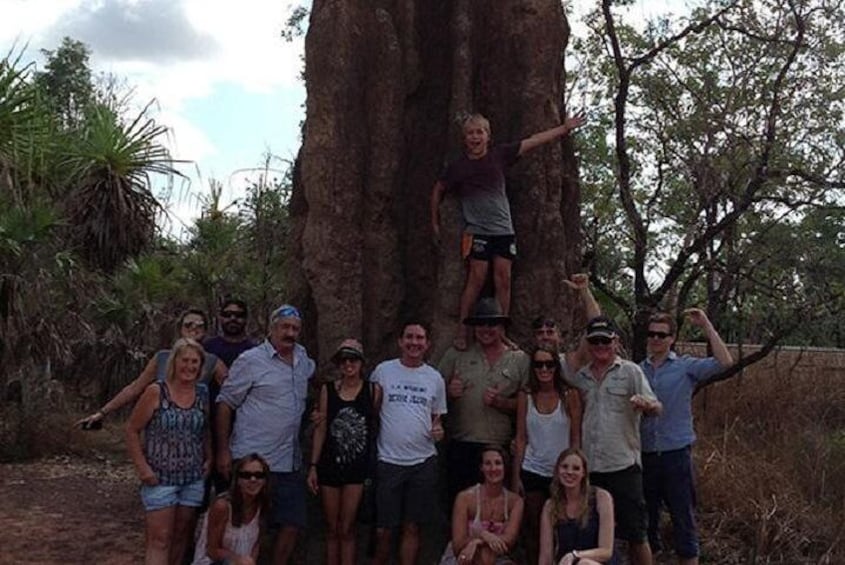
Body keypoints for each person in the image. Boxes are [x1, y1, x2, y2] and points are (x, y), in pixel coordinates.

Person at [430, 112, 587, 349]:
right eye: (471, 133)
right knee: (476, 279)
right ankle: (463, 329)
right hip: (477, 231)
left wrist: (564, 128)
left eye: (479, 132)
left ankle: (501, 330)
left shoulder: (498, 156)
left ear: (487, 136)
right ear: (464, 138)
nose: (475, 137)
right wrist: (434, 222)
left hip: (503, 230)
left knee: (503, 279)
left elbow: (533, 140)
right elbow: (438, 189)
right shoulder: (458, 168)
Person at [216, 304, 316, 565]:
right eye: (285, 327)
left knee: (293, 521)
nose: (290, 333)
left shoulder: (303, 359)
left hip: (288, 460)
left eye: (295, 328)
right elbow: (226, 402)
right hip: (251, 459)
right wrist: (224, 450)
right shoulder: (250, 360)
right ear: (272, 329)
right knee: (246, 525)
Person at [640, 309, 733, 565]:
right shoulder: (637, 371)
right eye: (651, 334)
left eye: (661, 335)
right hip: (645, 456)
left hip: (676, 456)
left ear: (672, 338)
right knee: (646, 524)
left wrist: (706, 324)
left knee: (683, 520)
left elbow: (724, 362)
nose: (655, 339)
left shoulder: (685, 367)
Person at [567, 316, 661, 565]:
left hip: (623, 467)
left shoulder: (630, 371)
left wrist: (647, 405)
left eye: (605, 340)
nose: (600, 346)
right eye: (594, 341)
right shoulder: (581, 377)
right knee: (592, 533)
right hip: (590, 469)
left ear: (615, 342)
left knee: (636, 533)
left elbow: (656, 406)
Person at [125, 338, 211, 565]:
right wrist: (142, 469)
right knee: (160, 538)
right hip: (159, 479)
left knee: (181, 536)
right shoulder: (156, 391)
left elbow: (204, 429)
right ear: (174, 362)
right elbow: (132, 430)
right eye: (185, 361)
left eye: (195, 362)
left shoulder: (202, 393)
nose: (189, 367)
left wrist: (209, 457)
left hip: (192, 478)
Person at [437, 297, 529, 505]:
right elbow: (432, 397)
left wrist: (502, 403)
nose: (486, 329)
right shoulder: (456, 355)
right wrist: (449, 393)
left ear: (502, 326)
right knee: (460, 508)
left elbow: (531, 406)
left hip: (500, 449)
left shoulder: (519, 360)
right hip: (462, 446)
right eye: (481, 323)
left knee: (497, 510)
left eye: (492, 323)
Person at [371, 321, 447, 565]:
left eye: (420, 338)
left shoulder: (434, 378)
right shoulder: (383, 371)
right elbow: (370, 410)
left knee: (412, 527)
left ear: (427, 344)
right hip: (388, 460)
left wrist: (438, 431)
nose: (414, 342)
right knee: (384, 529)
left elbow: (438, 419)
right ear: (400, 341)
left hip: (422, 462)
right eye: (410, 337)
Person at [77, 308, 227, 428]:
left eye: (199, 325)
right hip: (159, 430)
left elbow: (231, 394)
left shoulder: (213, 362)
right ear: (180, 328)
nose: (194, 328)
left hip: (193, 432)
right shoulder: (162, 358)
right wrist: (102, 413)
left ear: (205, 330)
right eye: (188, 324)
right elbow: (135, 388)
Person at [307, 339, 382, 565]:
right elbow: (321, 429)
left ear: (361, 363)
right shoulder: (327, 390)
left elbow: (375, 423)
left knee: (348, 527)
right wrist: (313, 465)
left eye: (353, 360)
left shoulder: (373, 390)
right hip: (330, 464)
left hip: (357, 467)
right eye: (344, 360)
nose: (348, 364)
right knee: (332, 527)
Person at [512, 346, 582, 565]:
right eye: (538, 364)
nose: (544, 369)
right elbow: (521, 437)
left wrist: (576, 470)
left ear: (556, 367)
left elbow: (576, 437)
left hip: (562, 473)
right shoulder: (526, 395)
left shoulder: (570, 395)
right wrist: (515, 477)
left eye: (549, 364)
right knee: (533, 530)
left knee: (563, 529)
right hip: (532, 469)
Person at [447, 446, 524, 565]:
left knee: (489, 556)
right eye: (488, 464)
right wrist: (485, 536)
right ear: (481, 468)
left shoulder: (515, 502)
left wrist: (479, 539)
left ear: (505, 467)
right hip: (465, 554)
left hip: (498, 557)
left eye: (498, 463)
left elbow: (509, 540)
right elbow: (458, 543)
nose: (493, 469)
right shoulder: (464, 498)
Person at [539, 448, 614, 565]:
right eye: (564, 467)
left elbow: (606, 551)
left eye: (576, 468)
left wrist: (575, 555)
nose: (569, 472)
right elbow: (546, 556)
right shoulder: (550, 505)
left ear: (584, 473)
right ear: (557, 471)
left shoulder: (601, 497)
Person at [192, 453, 270, 565]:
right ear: (237, 480)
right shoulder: (222, 506)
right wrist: (237, 559)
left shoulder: (263, 505)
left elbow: (256, 545)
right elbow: (211, 551)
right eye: (246, 475)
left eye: (259, 475)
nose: (253, 479)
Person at [531, 273, 601, 375]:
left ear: (560, 337)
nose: (545, 337)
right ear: (533, 338)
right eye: (540, 333)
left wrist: (584, 291)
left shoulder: (569, 363)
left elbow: (596, 323)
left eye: (550, 332)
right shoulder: (526, 364)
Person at [203, 299, 257, 368]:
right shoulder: (208, 348)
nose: (233, 318)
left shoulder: (255, 351)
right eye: (227, 315)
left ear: (246, 319)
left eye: (238, 315)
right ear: (220, 318)